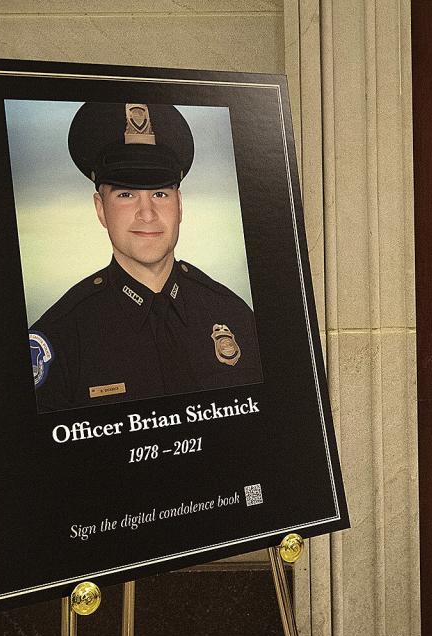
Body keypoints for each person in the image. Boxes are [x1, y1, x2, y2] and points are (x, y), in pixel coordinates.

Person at [29, 102, 262, 412]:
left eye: (160, 193)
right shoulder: (61, 336)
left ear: (180, 205)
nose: (148, 213)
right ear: (101, 209)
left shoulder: (236, 316)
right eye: (126, 194)